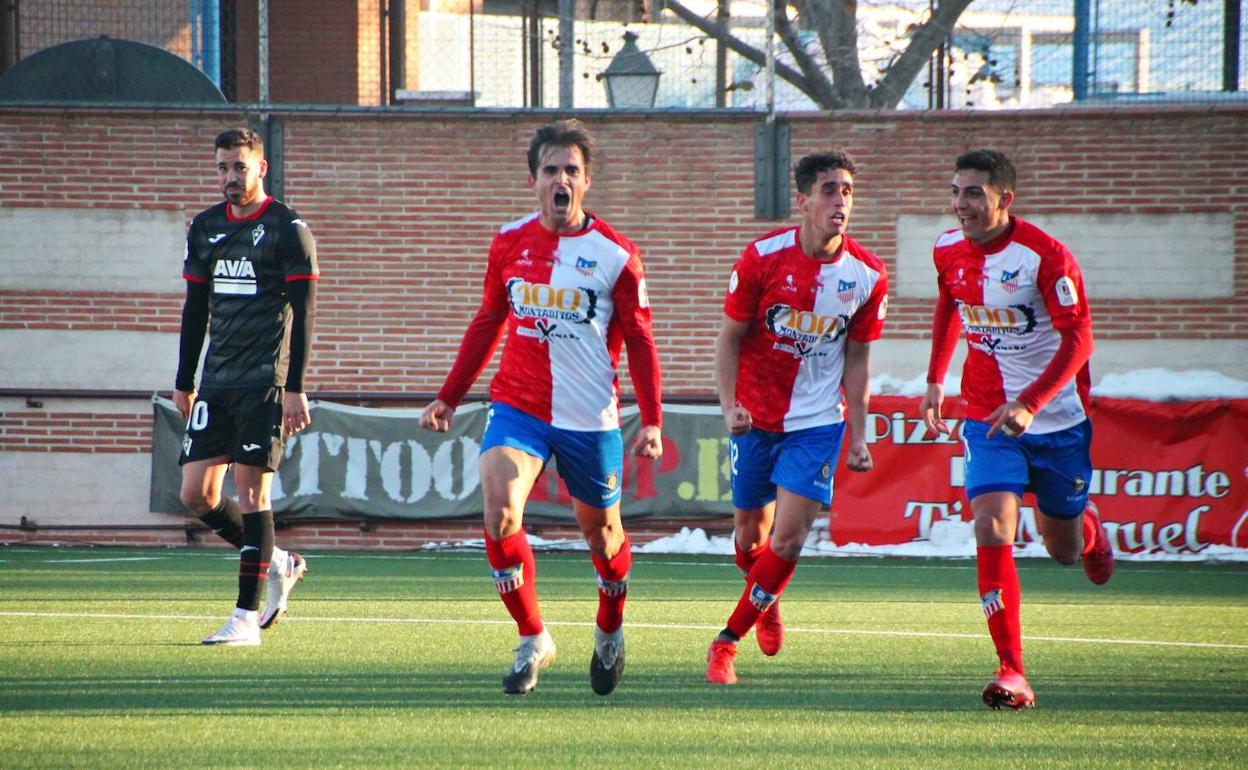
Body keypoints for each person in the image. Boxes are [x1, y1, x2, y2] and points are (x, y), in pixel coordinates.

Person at [419, 119, 663, 696]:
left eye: (571, 170)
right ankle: (533, 637)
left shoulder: (617, 255)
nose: (561, 179)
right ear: (533, 180)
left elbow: (640, 339)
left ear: (587, 181)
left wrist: (652, 418)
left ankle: (610, 627)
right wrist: (449, 395)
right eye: (551, 169)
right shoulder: (508, 243)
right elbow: (488, 321)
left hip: (589, 418)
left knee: (604, 539)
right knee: (500, 510)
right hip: (518, 405)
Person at [919, 149, 1115, 710]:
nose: (961, 204)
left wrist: (1030, 403)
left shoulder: (1045, 257)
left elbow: (1080, 340)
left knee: (1063, 550)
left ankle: (1089, 532)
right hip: (987, 416)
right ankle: (1012, 670)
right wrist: (935, 380)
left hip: (1056, 422)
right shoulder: (947, 249)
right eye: (956, 192)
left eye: (974, 194)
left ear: (1005, 198)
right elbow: (949, 304)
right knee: (991, 525)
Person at [705, 151, 888, 685]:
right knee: (750, 537)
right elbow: (729, 339)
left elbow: (858, 358)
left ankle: (726, 642)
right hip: (755, 418)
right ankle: (766, 596)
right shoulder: (762, 258)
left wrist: (859, 435)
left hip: (816, 422)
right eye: (829, 190)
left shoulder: (867, 275)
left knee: (787, 541)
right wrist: (729, 406)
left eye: (847, 191)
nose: (840, 201)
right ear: (804, 200)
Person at [176, 127, 317, 646]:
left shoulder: (288, 229)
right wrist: (184, 380)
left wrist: (295, 387)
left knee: (252, 492)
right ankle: (276, 561)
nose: (230, 177)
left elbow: (305, 315)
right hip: (216, 382)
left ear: (261, 168)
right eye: (222, 167)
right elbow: (195, 308)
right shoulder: (206, 227)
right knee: (196, 493)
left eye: (239, 166)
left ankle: (244, 619)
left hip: (264, 381)